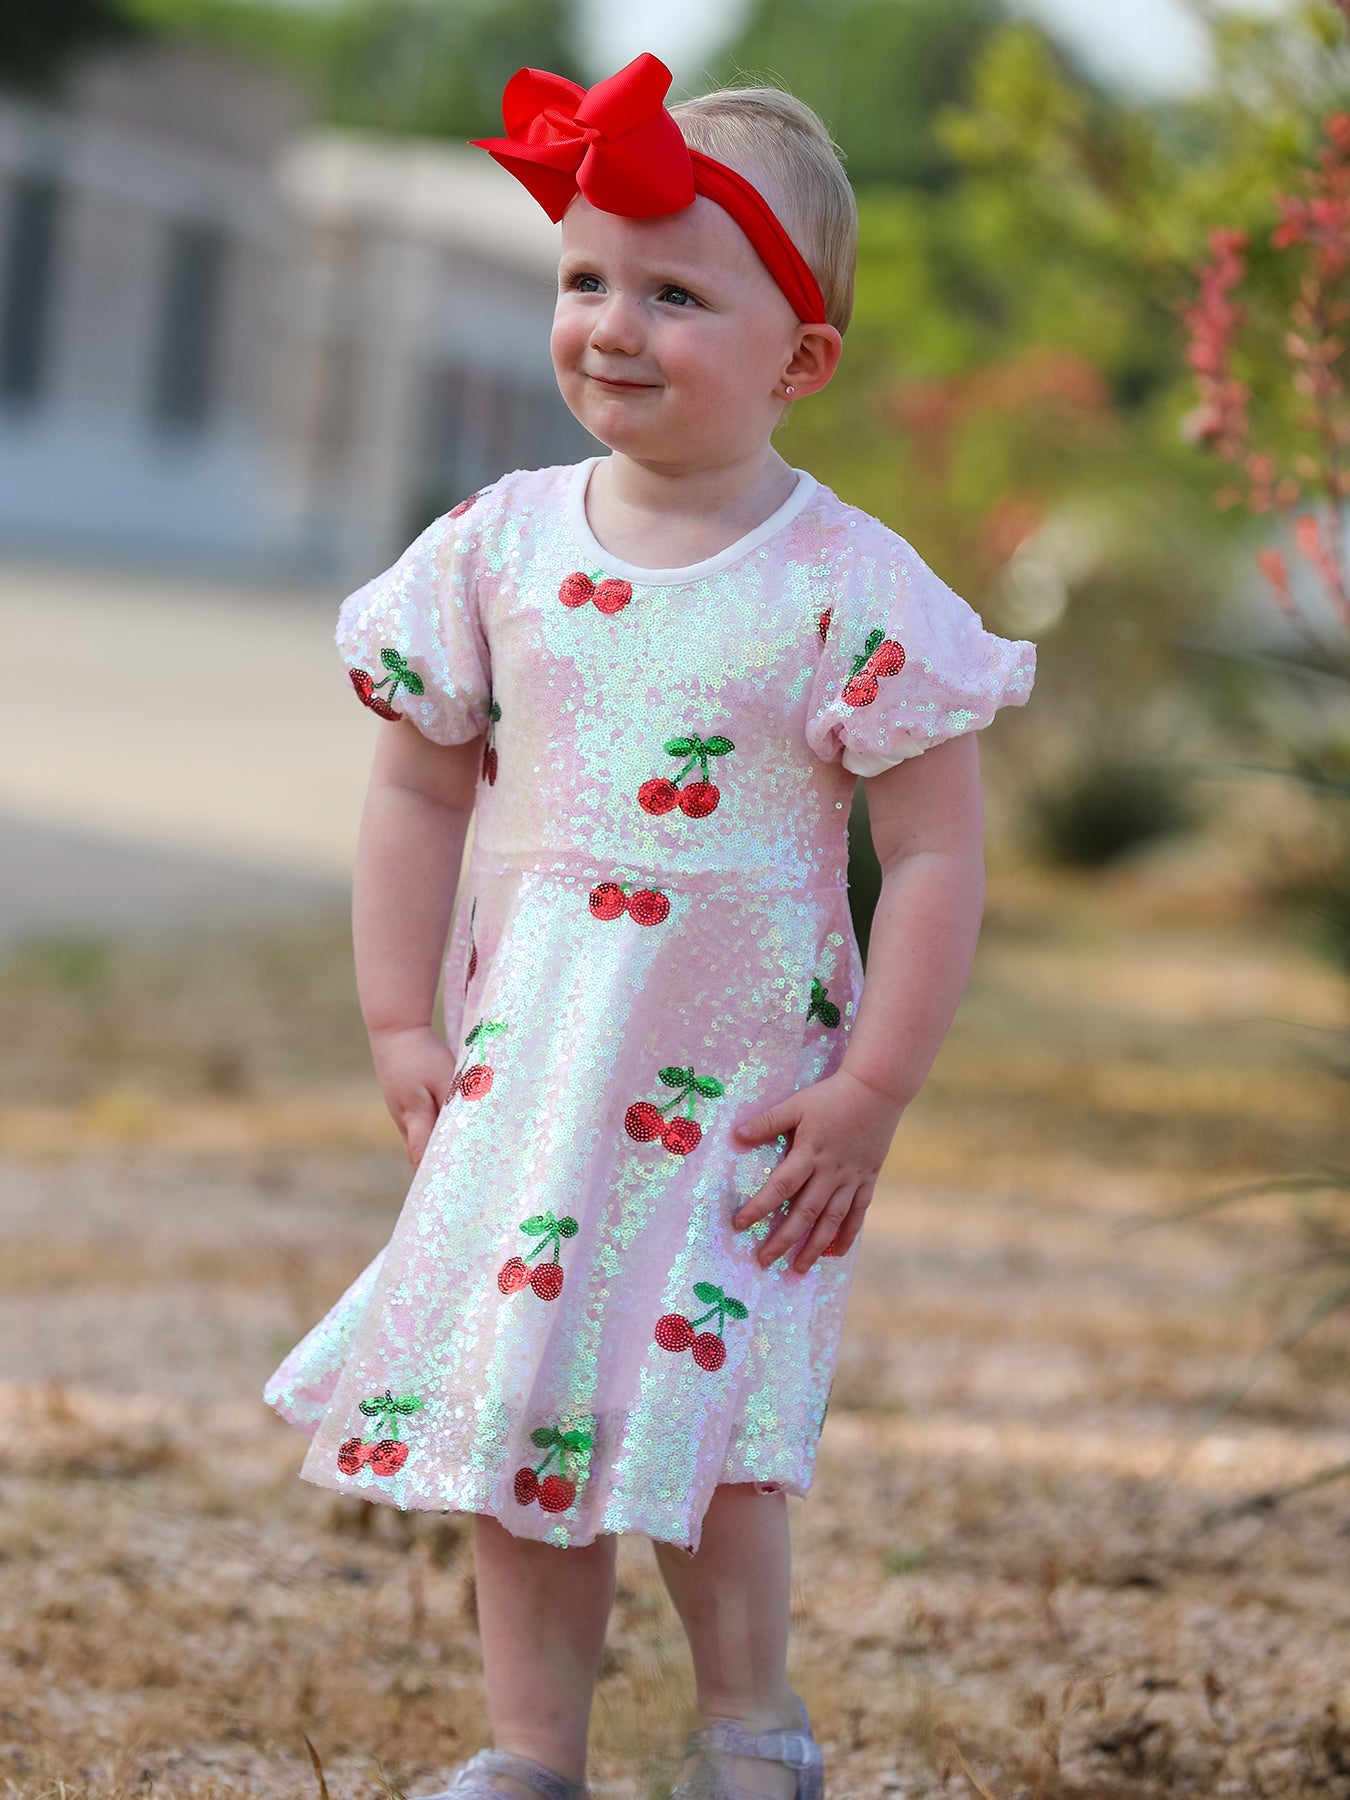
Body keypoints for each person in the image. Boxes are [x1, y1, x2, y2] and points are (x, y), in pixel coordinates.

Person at [263, 51, 1035, 1800]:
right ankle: (529, 1751)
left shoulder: (848, 585)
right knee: (517, 1407)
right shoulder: (493, 549)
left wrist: (872, 1091)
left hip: (742, 1100)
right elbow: (416, 794)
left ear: (799, 360)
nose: (612, 324)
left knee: (710, 1410)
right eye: (585, 279)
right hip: (534, 1075)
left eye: (675, 295)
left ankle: (748, 1726)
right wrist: (400, 1020)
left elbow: (931, 856)